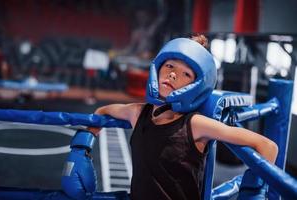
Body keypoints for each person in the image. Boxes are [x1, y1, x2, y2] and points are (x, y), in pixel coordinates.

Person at [87, 35, 278, 199]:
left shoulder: (195, 124)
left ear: (197, 85)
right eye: (169, 65)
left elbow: (268, 147)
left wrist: (253, 192)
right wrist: (84, 145)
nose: (172, 74)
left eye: (186, 74)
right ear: (158, 68)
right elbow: (102, 111)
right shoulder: (137, 112)